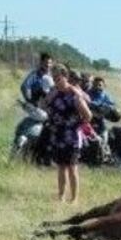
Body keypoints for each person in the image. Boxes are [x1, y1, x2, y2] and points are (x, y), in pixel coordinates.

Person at [42, 63, 92, 203]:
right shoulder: (54, 92)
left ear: (65, 77)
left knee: (72, 168)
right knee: (61, 167)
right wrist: (49, 97)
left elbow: (88, 116)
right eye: (54, 78)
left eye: (58, 78)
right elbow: (43, 106)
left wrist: (78, 126)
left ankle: (74, 199)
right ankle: (61, 196)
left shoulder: (75, 94)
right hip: (58, 134)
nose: (56, 81)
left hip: (72, 136)